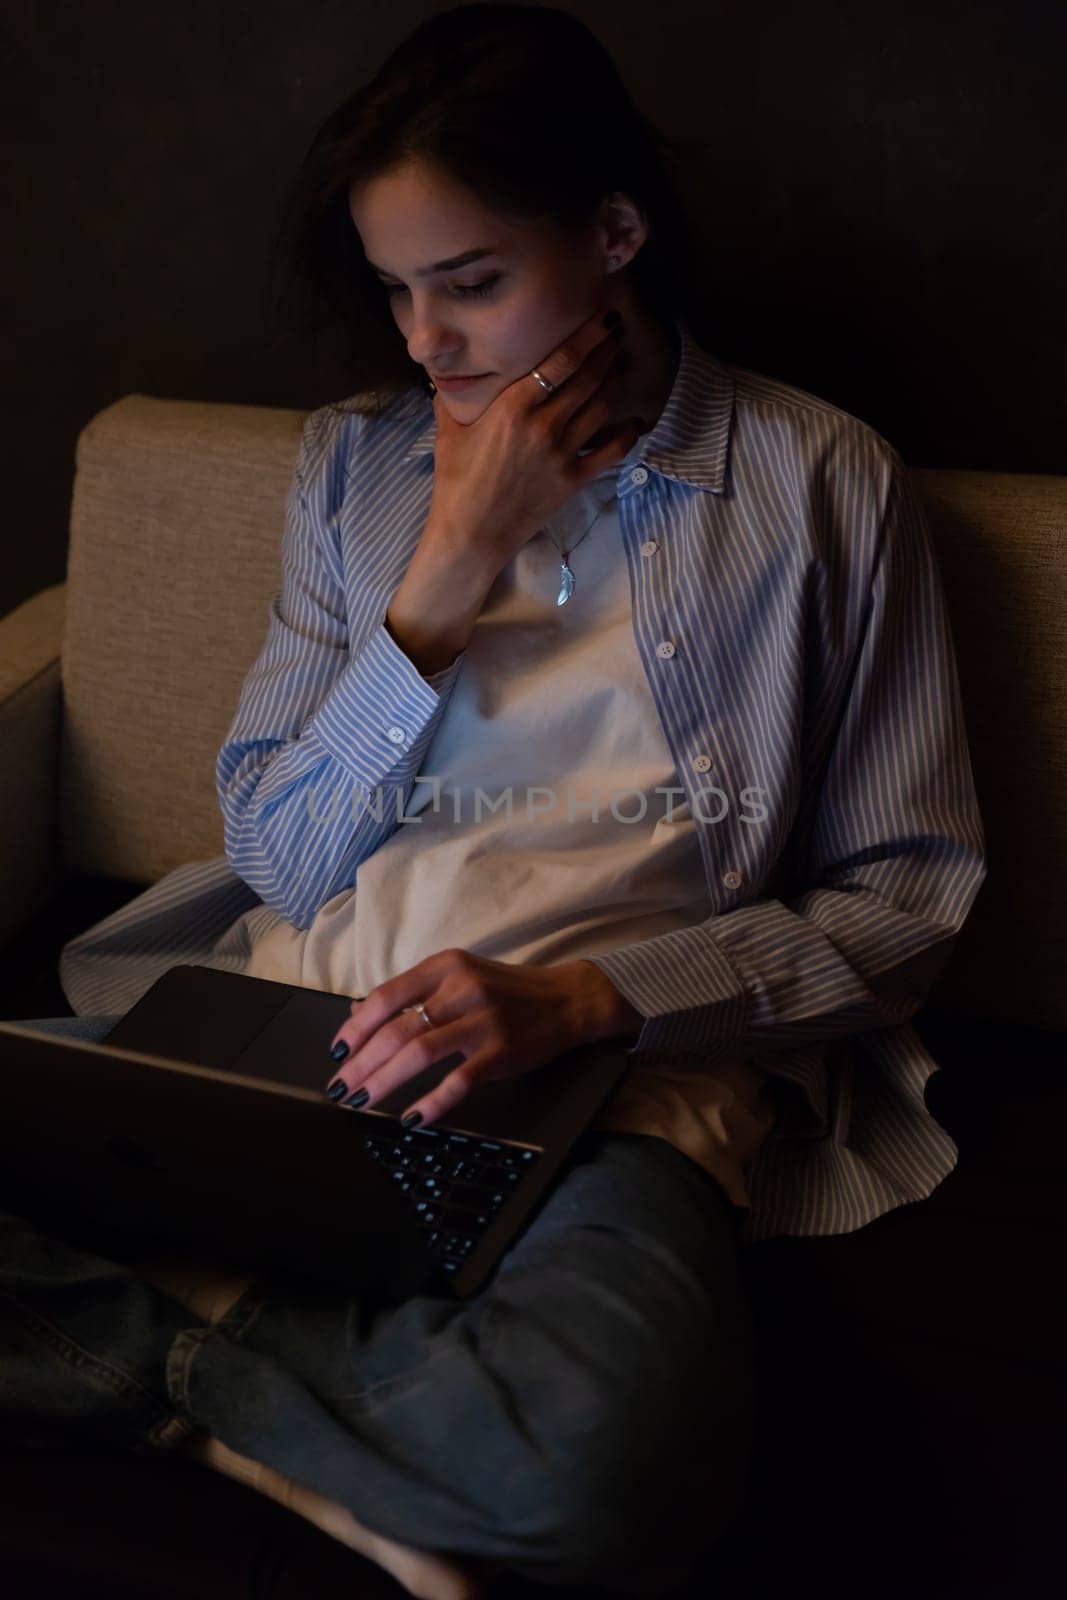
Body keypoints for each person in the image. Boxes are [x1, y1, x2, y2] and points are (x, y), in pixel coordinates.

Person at [3, 5, 987, 1596]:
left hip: (604, 1095)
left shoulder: (823, 485)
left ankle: (181, 1355)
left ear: (612, 232)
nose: (425, 342)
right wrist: (443, 576)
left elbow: (906, 903)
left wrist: (582, 1001)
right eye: (397, 290)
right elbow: (279, 849)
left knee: (602, 1470)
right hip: (284, 1031)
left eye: (471, 282)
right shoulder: (354, 471)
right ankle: (260, 1427)